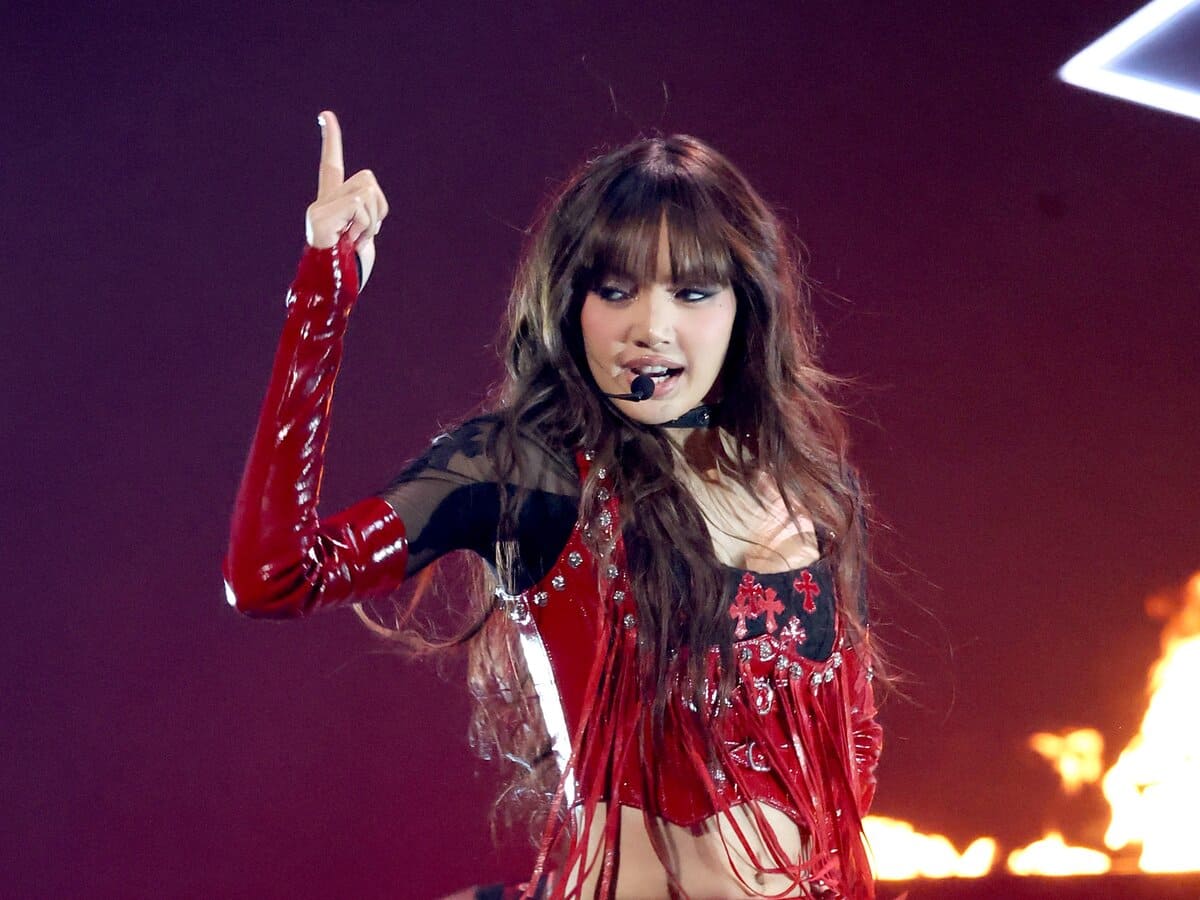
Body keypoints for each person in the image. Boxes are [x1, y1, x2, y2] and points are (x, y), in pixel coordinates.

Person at [224, 110, 883, 900]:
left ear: (745, 307)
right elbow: (275, 573)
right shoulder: (524, 470)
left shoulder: (817, 490)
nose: (651, 327)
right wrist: (323, 296)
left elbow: (853, 752)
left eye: (691, 291)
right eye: (616, 290)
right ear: (571, 305)